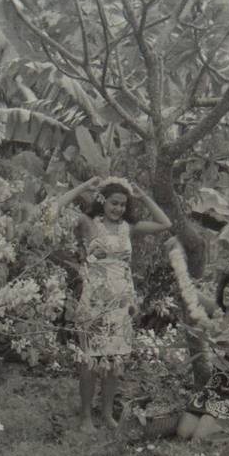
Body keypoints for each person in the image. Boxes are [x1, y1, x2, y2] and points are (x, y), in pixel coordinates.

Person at [57, 175, 171, 432]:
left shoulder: (127, 228)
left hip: (122, 300)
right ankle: (86, 415)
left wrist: (144, 197)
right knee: (90, 359)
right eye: (114, 203)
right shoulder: (88, 223)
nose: (118, 208)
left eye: (122, 204)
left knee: (115, 360)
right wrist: (84, 187)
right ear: (103, 201)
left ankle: (107, 413)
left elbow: (166, 223)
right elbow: (55, 208)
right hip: (95, 299)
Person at [172, 258, 229, 442]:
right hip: (216, 387)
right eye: (228, 286)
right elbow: (192, 294)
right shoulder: (219, 314)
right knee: (183, 433)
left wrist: (214, 337)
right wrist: (179, 269)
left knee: (200, 438)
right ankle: (224, 423)